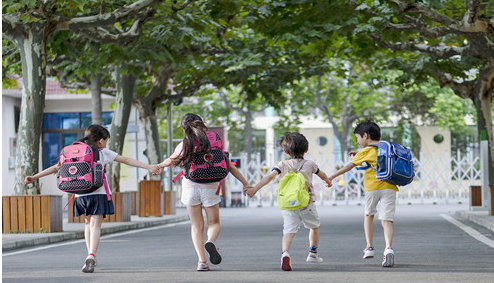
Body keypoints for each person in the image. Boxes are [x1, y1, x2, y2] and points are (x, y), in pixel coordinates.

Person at [24, 124, 162, 273]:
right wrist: (149, 167)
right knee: (96, 225)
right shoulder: (102, 152)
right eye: (106, 140)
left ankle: (89, 254)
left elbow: (56, 167)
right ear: (101, 140)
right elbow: (126, 160)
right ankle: (91, 255)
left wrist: (35, 177)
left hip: (79, 194)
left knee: (87, 224)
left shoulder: (75, 152)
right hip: (98, 192)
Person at [158, 113, 251, 272]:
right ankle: (211, 241)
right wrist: (246, 183)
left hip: (190, 186)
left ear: (184, 127)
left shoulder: (184, 144)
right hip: (211, 186)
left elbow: (170, 160)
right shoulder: (213, 140)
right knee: (213, 223)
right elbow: (228, 164)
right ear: (202, 124)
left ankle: (202, 261)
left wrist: (158, 166)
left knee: (196, 225)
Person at [245, 132, 332, 271]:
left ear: (286, 151)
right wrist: (327, 181)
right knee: (314, 226)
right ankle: (313, 254)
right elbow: (322, 174)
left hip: (288, 203)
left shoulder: (282, 164)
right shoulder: (310, 164)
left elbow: (269, 177)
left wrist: (255, 188)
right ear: (306, 149)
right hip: (306, 202)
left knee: (288, 231)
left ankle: (285, 252)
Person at [327, 119, 398, 267]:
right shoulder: (389, 147)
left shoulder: (366, 151)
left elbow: (348, 167)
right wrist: (360, 153)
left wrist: (332, 176)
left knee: (369, 215)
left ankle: (369, 247)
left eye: (358, 138)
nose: (358, 141)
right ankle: (388, 249)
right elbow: (377, 157)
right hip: (390, 187)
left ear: (365, 136)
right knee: (386, 221)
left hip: (372, 188)